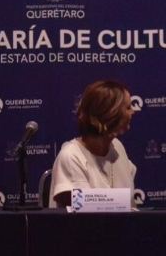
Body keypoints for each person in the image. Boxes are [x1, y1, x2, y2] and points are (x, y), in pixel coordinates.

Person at [49, 79, 136, 208]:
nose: (133, 112)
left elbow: (131, 205)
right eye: (128, 107)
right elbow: (81, 209)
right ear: (109, 113)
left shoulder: (117, 147)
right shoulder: (71, 156)